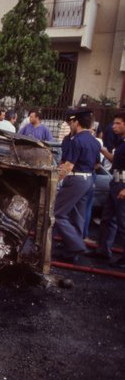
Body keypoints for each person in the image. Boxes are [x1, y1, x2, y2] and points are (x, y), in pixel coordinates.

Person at [53, 107, 101, 264]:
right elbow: (96, 165)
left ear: (76, 122)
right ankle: (72, 252)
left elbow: (68, 166)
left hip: (75, 179)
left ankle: (76, 244)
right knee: (78, 216)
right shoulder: (94, 141)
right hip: (88, 180)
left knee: (57, 213)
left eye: (71, 122)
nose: (70, 125)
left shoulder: (77, 140)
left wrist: (55, 181)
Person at [93, 113, 125, 268]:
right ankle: (103, 250)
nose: (113, 126)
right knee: (107, 218)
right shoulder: (121, 143)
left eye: (118, 123)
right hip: (115, 183)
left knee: (123, 223)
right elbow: (115, 160)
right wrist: (102, 150)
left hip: (123, 186)